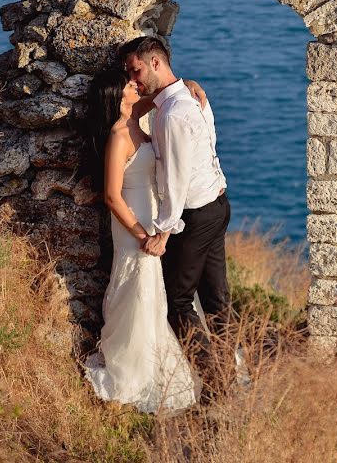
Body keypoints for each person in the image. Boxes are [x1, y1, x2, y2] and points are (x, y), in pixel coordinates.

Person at [81, 65, 208, 413]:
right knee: (136, 287)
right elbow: (111, 196)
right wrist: (141, 233)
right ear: (118, 99)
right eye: (130, 86)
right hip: (132, 224)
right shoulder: (119, 136)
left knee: (154, 290)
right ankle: (132, 368)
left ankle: (155, 356)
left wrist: (192, 84)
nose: (137, 86)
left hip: (152, 218)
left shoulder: (139, 116)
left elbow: (167, 92)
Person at [119, 36, 232, 390]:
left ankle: (215, 386)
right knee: (216, 301)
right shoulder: (192, 98)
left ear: (156, 63)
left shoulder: (173, 114)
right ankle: (230, 378)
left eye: (136, 70)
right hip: (217, 205)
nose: (133, 79)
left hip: (196, 215)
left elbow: (175, 179)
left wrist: (163, 231)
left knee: (178, 303)